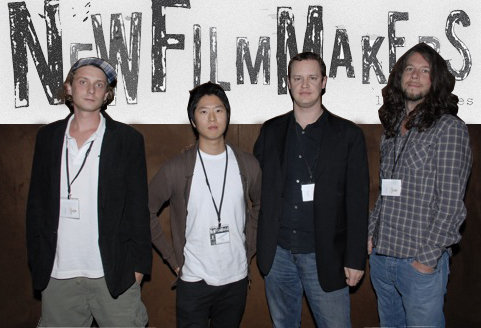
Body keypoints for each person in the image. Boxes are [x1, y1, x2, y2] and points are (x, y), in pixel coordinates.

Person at [26, 57, 152, 327]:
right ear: (69, 88)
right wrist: (38, 261)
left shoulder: (128, 140)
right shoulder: (47, 138)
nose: (91, 90)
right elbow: (35, 206)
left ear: (107, 95)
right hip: (58, 272)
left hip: (113, 273)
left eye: (99, 85)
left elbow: (138, 209)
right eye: (83, 82)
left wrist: (138, 268)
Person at [254, 52, 369, 327]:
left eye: (312, 77)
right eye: (298, 78)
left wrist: (355, 258)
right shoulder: (270, 131)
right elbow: (255, 188)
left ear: (324, 82)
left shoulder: (348, 135)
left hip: (326, 256)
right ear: (288, 83)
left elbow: (357, 200)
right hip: (278, 255)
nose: (305, 84)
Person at [368, 43, 472, 327]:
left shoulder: (449, 128)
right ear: (399, 76)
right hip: (382, 258)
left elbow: (451, 205)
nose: (415, 76)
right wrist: (371, 236)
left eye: (424, 70)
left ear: (436, 80)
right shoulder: (392, 129)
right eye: (409, 69)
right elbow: (384, 192)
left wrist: (426, 261)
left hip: (419, 264)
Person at [149, 82, 261, 327]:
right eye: (203, 111)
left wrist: (248, 249)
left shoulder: (248, 165)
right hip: (193, 281)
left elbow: (260, 206)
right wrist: (173, 259)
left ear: (227, 115)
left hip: (236, 280)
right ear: (193, 120)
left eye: (219, 110)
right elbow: (145, 211)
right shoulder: (177, 168)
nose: (212, 117)